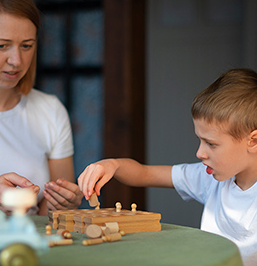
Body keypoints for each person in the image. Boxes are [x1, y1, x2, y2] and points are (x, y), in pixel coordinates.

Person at [78, 68, 257, 265]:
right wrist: (112, 165)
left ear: (253, 141)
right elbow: (145, 174)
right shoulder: (208, 177)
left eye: (211, 144)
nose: (199, 153)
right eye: (200, 140)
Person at [0, 0, 82, 215]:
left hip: (31, 249)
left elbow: (52, 215)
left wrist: (64, 204)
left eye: (27, 46)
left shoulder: (50, 111)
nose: (16, 60)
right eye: (2, 46)